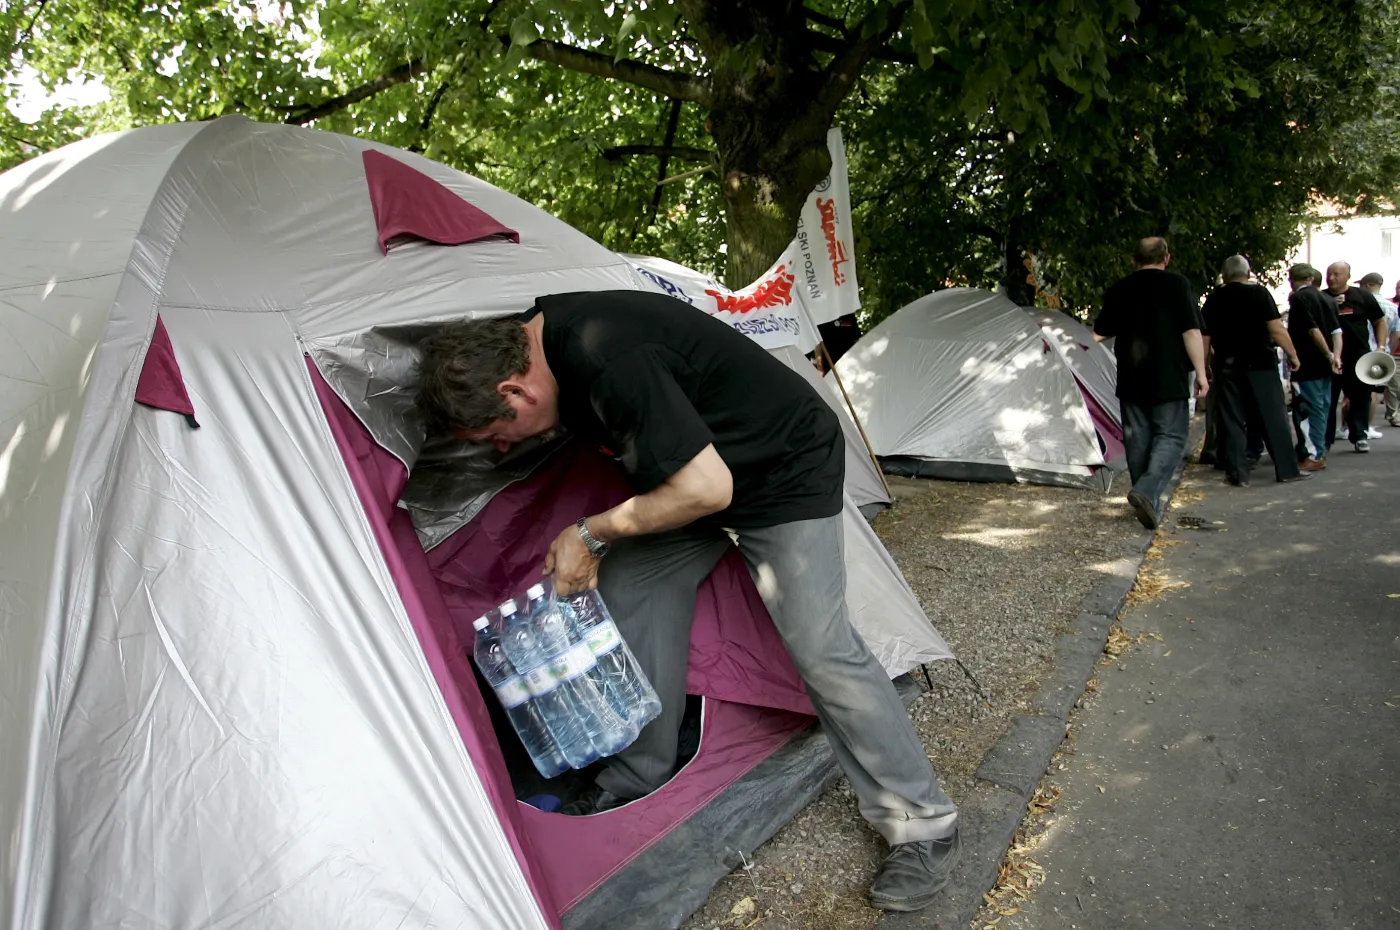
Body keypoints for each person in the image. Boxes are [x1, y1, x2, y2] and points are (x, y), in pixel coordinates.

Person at [414, 291, 961, 913]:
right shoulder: (536, 332)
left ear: (516, 391)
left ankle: (924, 826)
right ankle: (637, 775)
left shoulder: (607, 356)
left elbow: (705, 487)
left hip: (780, 468)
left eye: (497, 436)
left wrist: (590, 532)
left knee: (822, 648)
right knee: (628, 586)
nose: (503, 450)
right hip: (699, 473)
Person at [1093, 237, 1209, 529]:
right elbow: (1191, 332)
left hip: (1131, 373)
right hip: (1169, 372)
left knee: (1137, 438)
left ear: (1134, 260)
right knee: (1171, 436)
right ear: (1166, 258)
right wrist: (1202, 374)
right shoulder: (1177, 285)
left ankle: (1148, 501)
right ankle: (1146, 491)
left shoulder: (1120, 288)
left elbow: (1101, 331)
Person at [1200, 255, 1307, 485]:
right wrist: (1292, 354)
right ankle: (1287, 470)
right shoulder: (1259, 294)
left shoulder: (1214, 299)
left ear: (1225, 275)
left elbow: (1205, 338)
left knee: (1231, 420)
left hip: (1227, 367)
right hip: (1261, 365)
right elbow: (1276, 328)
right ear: (1247, 273)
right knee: (1274, 417)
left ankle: (1238, 473)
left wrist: (1205, 367)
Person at [1323, 262, 1388, 452]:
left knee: (1360, 397)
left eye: (1337, 274)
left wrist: (1381, 346)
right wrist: (1330, 307)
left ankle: (1360, 435)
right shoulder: (1323, 297)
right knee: (1329, 398)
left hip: (1358, 356)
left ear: (1348, 276)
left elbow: (1379, 321)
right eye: (1329, 274)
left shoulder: (1362, 296)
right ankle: (1324, 440)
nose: (1332, 278)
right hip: (1330, 356)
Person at [1286, 263, 1343, 469]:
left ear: (1292, 280)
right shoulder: (1328, 299)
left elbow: (1312, 329)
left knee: (1308, 409)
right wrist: (1335, 356)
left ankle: (1313, 455)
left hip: (1306, 362)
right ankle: (1318, 450)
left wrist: (1327, 353)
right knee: (1324, 407)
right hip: (1324, 365)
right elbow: (1337, 331)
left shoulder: (1299, 299)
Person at [1357, 272, 1400, 426]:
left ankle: (1350, 426)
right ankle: (1367, 426)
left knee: (1356, 391)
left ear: (1367, 285)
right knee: (1375, 389)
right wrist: (1387, 351)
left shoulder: (1360, 303)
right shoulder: (1392, 307)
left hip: (1360, 351)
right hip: (1381, 353)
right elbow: (1396, 335)